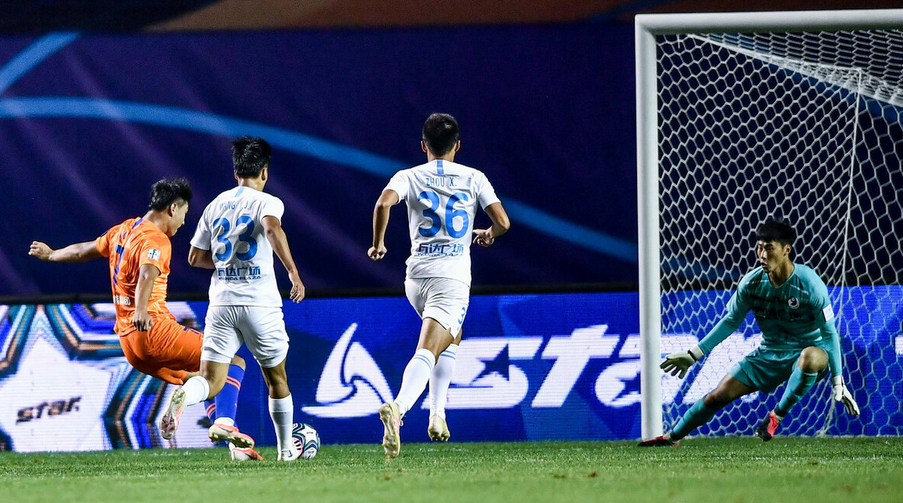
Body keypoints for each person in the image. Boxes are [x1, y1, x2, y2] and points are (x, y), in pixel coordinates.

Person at [29, 178, 261, 460]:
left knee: (204, 380)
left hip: (130, 345)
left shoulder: (122, 230)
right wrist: (141, 310)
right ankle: (222, 422)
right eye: (185, 213)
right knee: (232, 362)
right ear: (173, 208)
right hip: (153, 330)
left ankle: (236, 447)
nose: (183, 222)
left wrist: (52, 255)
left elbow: (83, 250)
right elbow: (147, 273)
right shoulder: (157, 239)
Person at [639, 218, 860, 447]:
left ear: (786, 250)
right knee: (717, 396)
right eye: (759, 248)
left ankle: (776, 416)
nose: (762, 255)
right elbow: (730, 322)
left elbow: (829, 334)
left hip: (810, 352)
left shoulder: (810, 284)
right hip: (769, 353)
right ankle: (671, 438)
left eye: (769, 248)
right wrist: (694, 354)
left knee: (810, 356)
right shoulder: (752, 283)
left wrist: (837, 380)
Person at [368, 113, 510, 458]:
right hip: (451, 278)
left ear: (424, 146)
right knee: (429, 349)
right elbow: (503, 222)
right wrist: (489, 234)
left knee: (453, 335)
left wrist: (378, 243)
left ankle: (437, 415)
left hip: (416, 278)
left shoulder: (408, 175)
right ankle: (399, 409)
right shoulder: (474, 177)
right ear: (457, 146)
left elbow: (383, 203)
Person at [158, 136, 306, 462]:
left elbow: (195, 257)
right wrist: (293, 272)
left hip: (222, 303)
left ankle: (185, 395)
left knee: (211, 379)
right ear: (264, 172)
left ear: (236, 171)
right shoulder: (268, 202)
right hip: (259, 303)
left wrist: (227, 262)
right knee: (276, 379)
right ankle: (286, 451)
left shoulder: (215, 205)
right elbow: (272, 229)